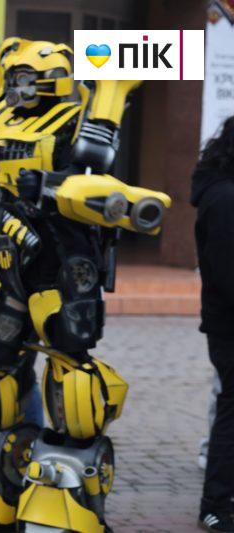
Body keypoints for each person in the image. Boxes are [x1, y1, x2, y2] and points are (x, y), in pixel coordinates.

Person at [191, 115, 234, 532]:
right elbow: (226, 273)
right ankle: (216, 503)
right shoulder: (223, 198)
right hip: (229, 327)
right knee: (231, 413)